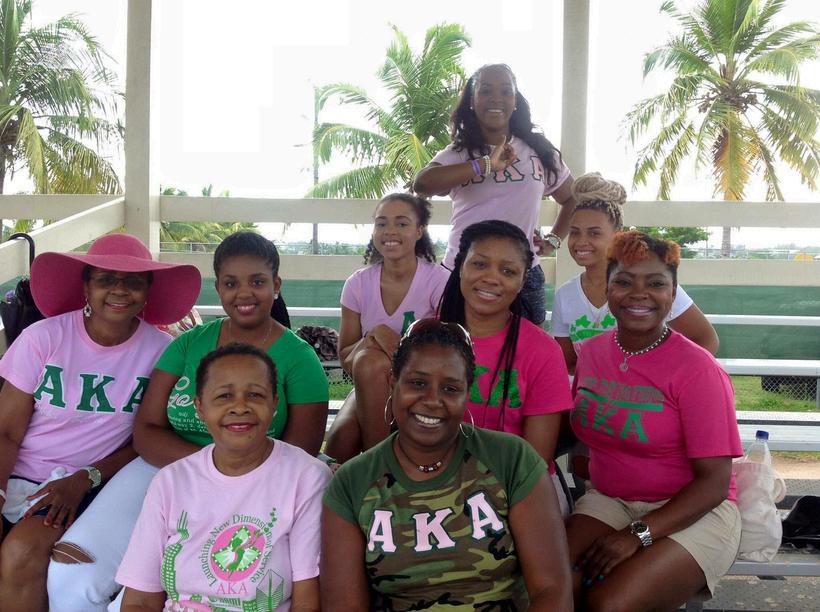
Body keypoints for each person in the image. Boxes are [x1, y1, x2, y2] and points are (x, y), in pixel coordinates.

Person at [47, 231, 328, 611]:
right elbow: (146, 431)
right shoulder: (188, 344)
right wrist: (205, 468)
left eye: (258, 282)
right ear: (218, 287)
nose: (244, 293)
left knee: (159, 591)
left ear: (276, 285)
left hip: (257, 483)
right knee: (71, 575)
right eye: (231, 283)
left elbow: (298, 453)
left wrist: (227, 472)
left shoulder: (300, 359)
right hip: (162, 471)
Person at [0, 233, 200, 612]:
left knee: (22, 552)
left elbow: (148, 437)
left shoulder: (163, 351)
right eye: (106, 279)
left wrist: (85, 478)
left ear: (148, 290)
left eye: (133, 282)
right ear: (86, 286)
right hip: (18, 474)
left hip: (93, 480)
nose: (119, 290)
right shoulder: (44, 338)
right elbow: (6, 431)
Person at [321, 319, 572, 611]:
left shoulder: (512, 460)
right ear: (393, 382)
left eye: (450, 389)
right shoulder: (353, 484)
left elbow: (552, 591)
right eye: (418, 383)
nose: (432, 400)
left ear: (467, 393)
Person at [566, 231, 742, 611]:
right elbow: (576, 428)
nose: (638, 294)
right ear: (608, 290)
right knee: (552, 583)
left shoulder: (697, 369)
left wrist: (636, 536)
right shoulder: (592, 353)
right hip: (610, 500)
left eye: (656, 283)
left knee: (609, 604)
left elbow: (714, 484)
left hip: (695, 512)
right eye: (624, 282)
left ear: (673, 293)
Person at [117, 343, 330, 611]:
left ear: (274, 403)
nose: (240, 407)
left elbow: (308, 600)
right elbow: (139, 600)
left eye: (255, 395)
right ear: (199, 407)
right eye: (224, 396)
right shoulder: (170, 481)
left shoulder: (306, 477)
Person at [414, 63, 577, 324]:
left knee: (525, 346)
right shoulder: (459, 153)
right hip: (464, 272)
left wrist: (553, 241)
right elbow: (423, 184)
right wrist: (485, 164)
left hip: (521, 273)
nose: (496, 99)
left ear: (515, 101)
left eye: (506, 91)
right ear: (472, 101)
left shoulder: (538, 150)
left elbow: (572, 199)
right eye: (486, 91)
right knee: (459, 346)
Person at [438, 220, 574, 514]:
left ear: (523, 281)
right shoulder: (427, 338)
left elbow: (534, 460)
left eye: (508, 271)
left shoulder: (542, 351)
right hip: (435, 483)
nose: (492, 278)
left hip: (518, 488)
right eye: (480, 264)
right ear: (460, 267)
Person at [550, 172, 719, 374]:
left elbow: (706, 339)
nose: (581, 241)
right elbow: (568, 362)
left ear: (617, 235)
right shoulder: (565, 295)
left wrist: (668, 379)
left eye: (594, 233)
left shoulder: (651, 286)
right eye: (575, 232)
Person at [325, 193, 449, 461]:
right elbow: (346, 359)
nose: (390, 231)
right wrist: (374, 336)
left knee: (371, 361)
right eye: (381, 223)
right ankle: (377, 467)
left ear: (419, 231)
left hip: (422, 386)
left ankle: (381, 470)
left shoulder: (438, 281)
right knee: (338, 445)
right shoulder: (357, 284)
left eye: (402, 223)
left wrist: (391, 346)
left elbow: (447, 356)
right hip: (371, 384)